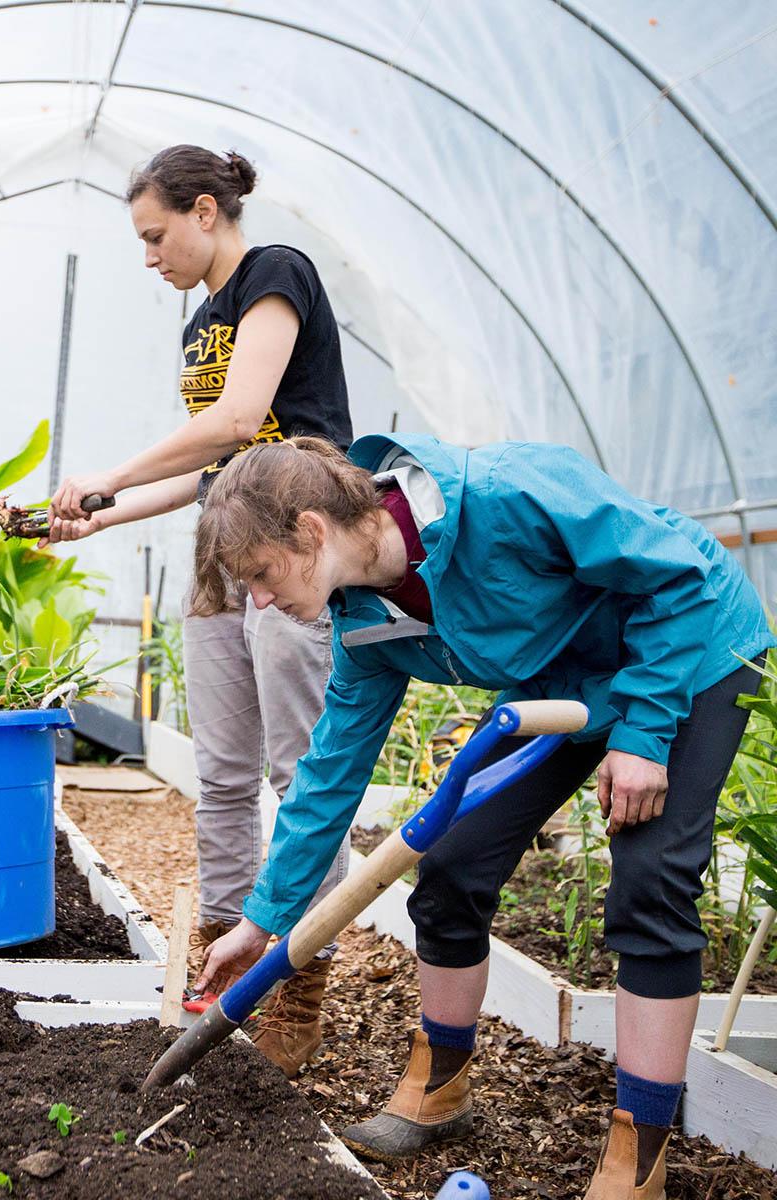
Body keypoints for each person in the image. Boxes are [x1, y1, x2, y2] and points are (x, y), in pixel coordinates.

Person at [190, 433, 774, 1199]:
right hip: (566, 678)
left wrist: (642, 733)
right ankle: (442, 1084)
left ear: (311, 531)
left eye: (260, 575)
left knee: (651, 875)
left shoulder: (507, 495)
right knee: (454, 864)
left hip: (690, 652)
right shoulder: (363, 619)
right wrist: (261, 922)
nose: (259, 599)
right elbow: (330, 773)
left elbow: (679, 577)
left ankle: (641, 1152)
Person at [45, 145, 355, 1075]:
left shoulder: (275, 275)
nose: (151, 258)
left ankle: (300, 973)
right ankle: (228, 954)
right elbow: (203, 471)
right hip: (225, 552)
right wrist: (95, 515)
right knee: (222, 772)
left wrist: (106, 471)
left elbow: (238, 418)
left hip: (295, 545)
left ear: (207, 210)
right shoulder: (199, 327)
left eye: (156, 234)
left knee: (300, 771)